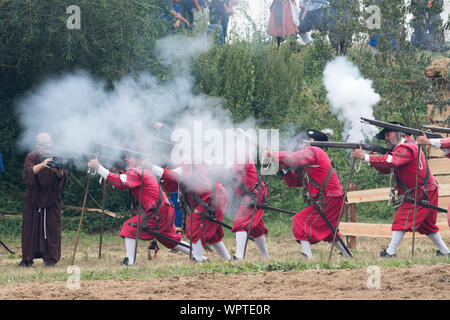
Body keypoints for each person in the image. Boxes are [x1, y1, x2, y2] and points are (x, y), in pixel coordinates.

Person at [351, 122, 450, 257]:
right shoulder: (401, 148)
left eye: (388, 134)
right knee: (426, 226)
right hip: (424, 191)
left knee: (400, 220)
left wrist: (365, 157)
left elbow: (392, 161)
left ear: (400, 133)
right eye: (385, 135)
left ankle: (390, 252)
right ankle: (445, 251)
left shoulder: (407, 147)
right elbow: (386, 168)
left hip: (421, 192)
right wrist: (371, 157)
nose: (386, 137)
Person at [87, 154, 193, 266]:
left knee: (129, 227)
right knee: (172, 240)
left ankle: (129, 262)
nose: (126, 159)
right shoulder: (141, 172)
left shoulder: (135, 171)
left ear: (136, 160)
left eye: (129, 157)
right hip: (164, 210)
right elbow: (121, 183)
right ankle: (199, 257)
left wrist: (98, 167)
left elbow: (120, 181)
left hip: (157, 212)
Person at [265, 130, 350, 259]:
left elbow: (295, 157)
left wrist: (273, 154)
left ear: (311, 141)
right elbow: (293, 182)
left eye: (302, 141)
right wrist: (284, 168)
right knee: (329, 231)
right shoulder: (309, 161)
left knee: (299, 221)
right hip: (331, 199)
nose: (299, 145)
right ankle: (347, 255)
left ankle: (308, 258)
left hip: (330, 198)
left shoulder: (314, 151)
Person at [151, 162, 231, 262]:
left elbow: (170, 175)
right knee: (214, 235)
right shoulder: (181, 172)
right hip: (211, 198)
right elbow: (168, 182)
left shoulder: (189, 166)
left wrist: (151, 166)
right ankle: (227, 259)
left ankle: (198, 259)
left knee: (193, 226)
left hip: (213, 197)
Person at [19, 133, 68, 267]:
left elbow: (62, 177)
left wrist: (57, 169)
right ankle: (27, 258)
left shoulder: (57, 156)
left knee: (52, 229)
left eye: (48, 144)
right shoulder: (31, 156)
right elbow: (28, 173)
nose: (46, 147)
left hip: (52, 198)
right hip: (33, 199)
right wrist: (42, 164)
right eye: (43, 145)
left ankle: (51, 258)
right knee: (29, 229)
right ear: (37, 145)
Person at [227, 158, 270, 261]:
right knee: (256, 228)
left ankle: (239, 257)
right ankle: (265, 256)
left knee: (240, 222)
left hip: (254, 192)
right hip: (248, 193)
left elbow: (236, 170)